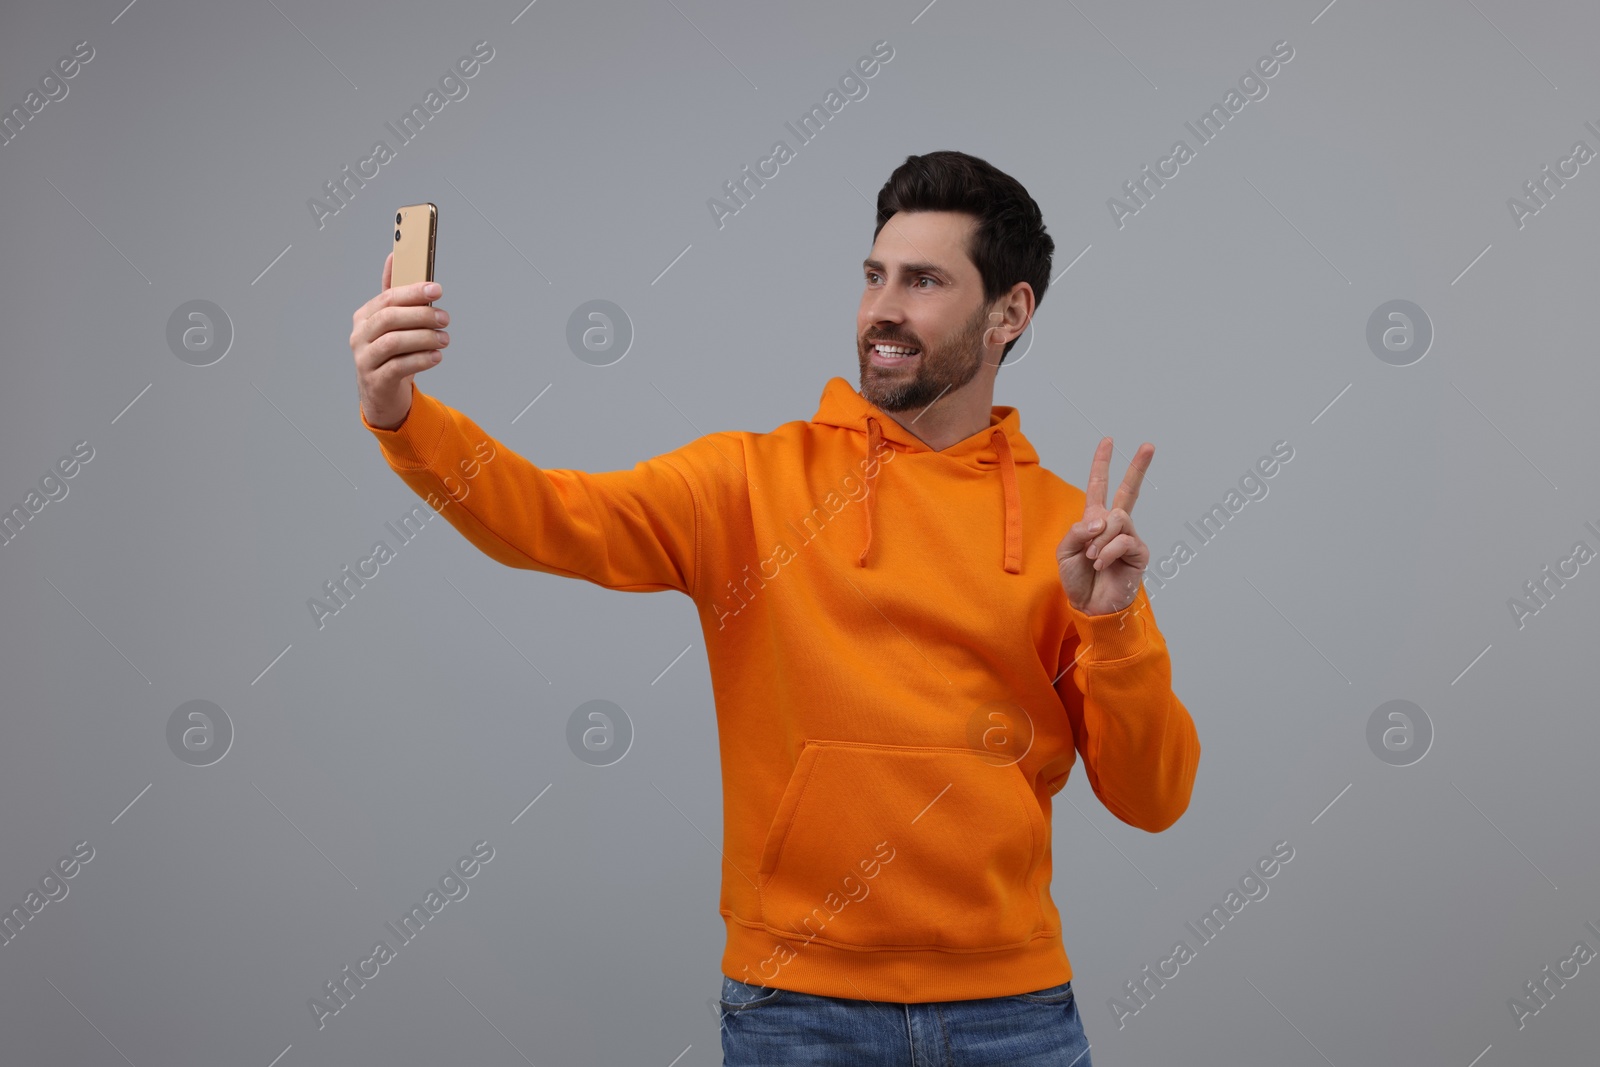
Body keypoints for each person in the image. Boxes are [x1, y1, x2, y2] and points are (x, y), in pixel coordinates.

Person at [349, 150, 1199, 1066]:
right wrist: (402, 412)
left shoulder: (1070, 533)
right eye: (875, 275)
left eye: (923, 282)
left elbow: (1154, 798)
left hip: (1012, 1011)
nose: (882, 308)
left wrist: (1112, 624)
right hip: (798, 1008)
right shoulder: (748, 484)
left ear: (1010, 313)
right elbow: (551, 518)